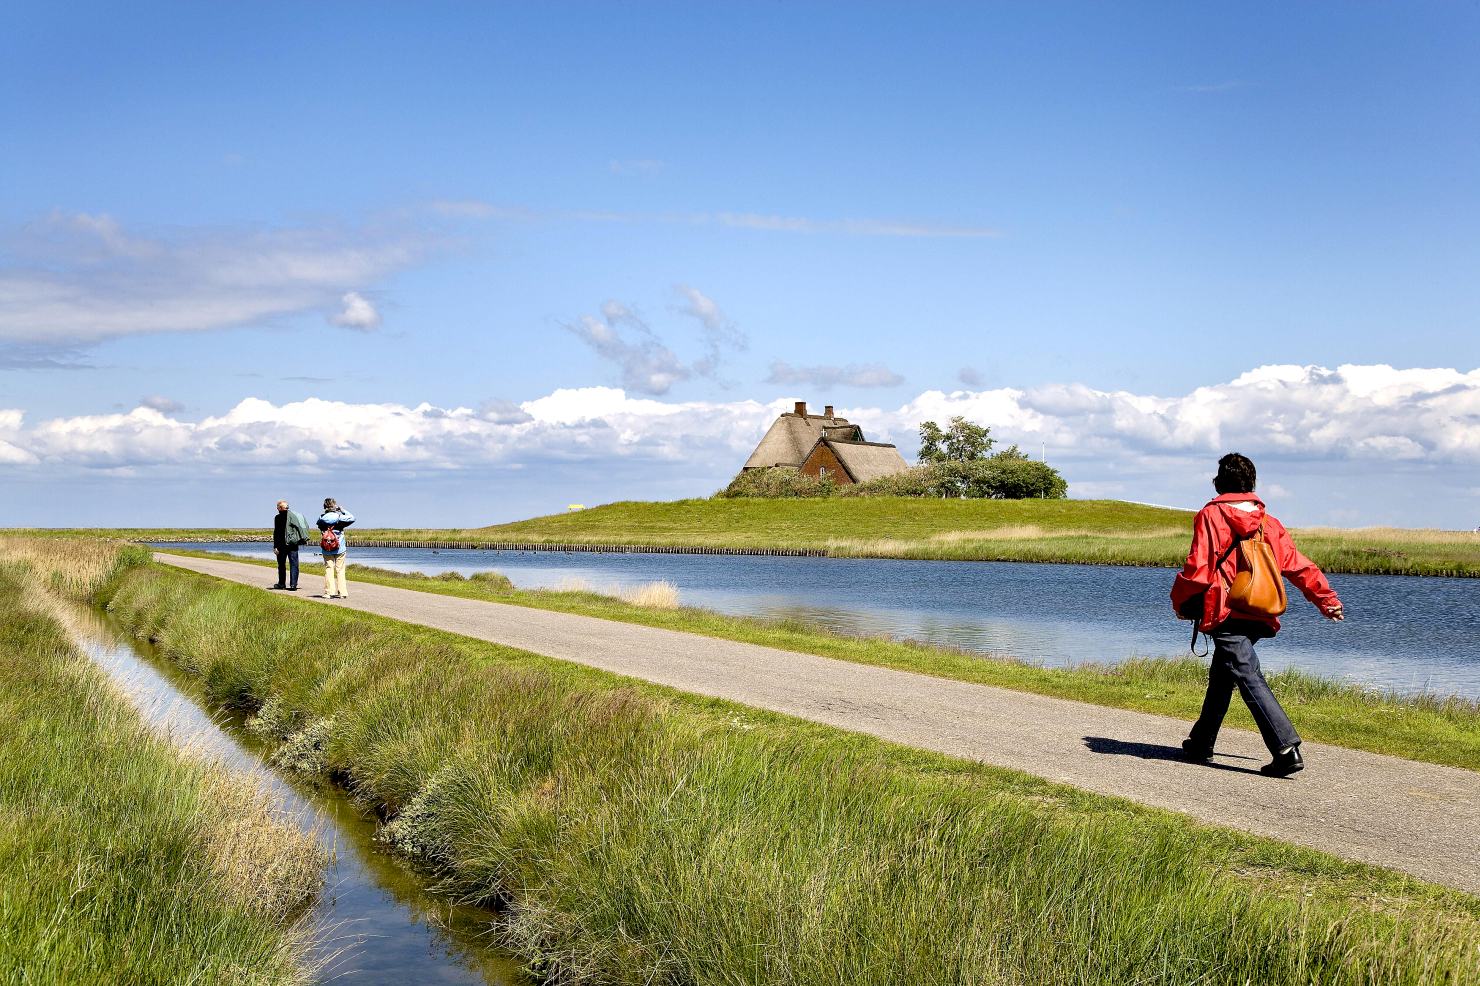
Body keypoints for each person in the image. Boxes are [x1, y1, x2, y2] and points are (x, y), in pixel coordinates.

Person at [1170, 453, 1344, 778]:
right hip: (1260, 609)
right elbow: (1298, 565)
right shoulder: (1269, 521)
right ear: (1251, 484)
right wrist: (1326, 599)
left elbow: (1198, 570)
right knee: (1224, 673)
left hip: (1225, 608)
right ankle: (1201, 742)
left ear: (1219, 482)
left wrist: (1179, 602)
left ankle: (1285, 749)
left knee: (1245, 672)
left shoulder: (1211, 515)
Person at [316, 498, 356, 599]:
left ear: (325, 507)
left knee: (329, 569)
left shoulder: (321, 519)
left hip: (326, 548)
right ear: (334, 506)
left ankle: (329, 592)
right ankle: (342, 592)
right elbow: (352, 518)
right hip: (340, 547)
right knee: (340, 569)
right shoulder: (340, 518)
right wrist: (342, 510)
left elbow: (319, 526)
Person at [270, 499, 311, 591]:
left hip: (281, 545)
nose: (277, 509)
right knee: (294, 564)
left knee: (281, 565)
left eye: (277, 507)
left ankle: (281, 584)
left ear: (280, 508)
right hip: (293, 544)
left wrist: (275, 546)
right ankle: (293, 585)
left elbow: (276, 533)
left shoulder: (277, 518)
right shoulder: (294, 516)